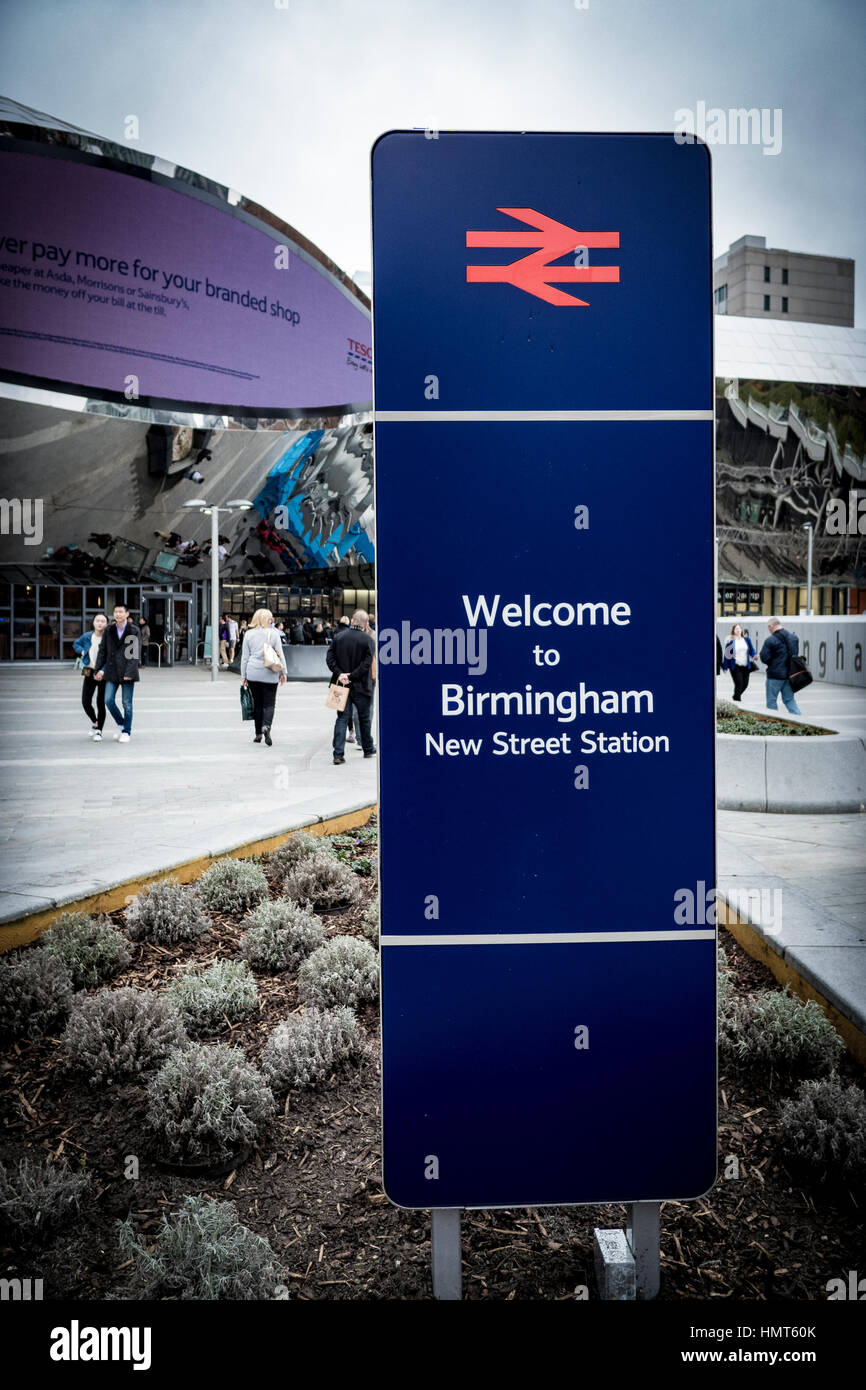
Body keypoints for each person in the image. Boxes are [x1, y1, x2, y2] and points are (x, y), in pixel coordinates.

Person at [327, 609, 376, 764]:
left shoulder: (338, 637)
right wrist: (352, 676)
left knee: (342, 718)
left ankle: (338, 754)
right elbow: (366, 665)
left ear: (352, 621)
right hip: (362, 685)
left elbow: (329, 659)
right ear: (366, 624)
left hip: (340, 685)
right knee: (364, 718)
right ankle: (368, 749)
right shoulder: (368, 640)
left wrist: (341, 674)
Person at [93, 603, 140, 742]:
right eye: (115, 612)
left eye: (120, 612)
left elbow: (134, 654)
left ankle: (126, 731)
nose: (118, 614)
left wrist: (129, 672)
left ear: (127, 614)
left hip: (127, 672)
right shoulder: (109, 630)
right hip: (112, 670)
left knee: (127, 704)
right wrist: (98, 669)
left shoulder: (133, 630)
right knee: (108, 700)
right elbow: (103, 650)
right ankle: (121, 723)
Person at [240, 607, 287, 745]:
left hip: (253, 673)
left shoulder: (248, 634)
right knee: (269, 703)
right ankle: (266, 726)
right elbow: (280, 655)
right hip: (270, 672)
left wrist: (243, 676)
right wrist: (284, 672)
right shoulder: (274, 634)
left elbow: (244, 657)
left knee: (258, 703)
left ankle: (258, 734)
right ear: (267, 619)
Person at [73, 612, 108, 740]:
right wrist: (82, 651)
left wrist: (102, 671)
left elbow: (110, 658)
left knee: (100, 702)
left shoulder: (108, 638)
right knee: (85, 702)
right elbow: (76, 644)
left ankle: (99, 730)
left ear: (106, 624)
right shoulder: (87, 636)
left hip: (103, 673)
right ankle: (95, 721)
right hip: (88, 670)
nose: (100, 623)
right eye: (97, 620)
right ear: (93, 623)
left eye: (103, 621)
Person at [759, 617, 802, 715]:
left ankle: (773, 722)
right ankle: (799, 718)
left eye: (768, 627)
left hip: (774, 676)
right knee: (789, 700)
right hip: (790, 675)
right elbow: (794, 655)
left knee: (771, 701)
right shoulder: (793, 638)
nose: (769, 630)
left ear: (771, 626)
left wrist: (772, 663)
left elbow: (764, 657)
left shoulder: (770, 640)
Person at [722, 622, 757, 702]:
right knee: (739, 683)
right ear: (733, 631)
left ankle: (735, 696)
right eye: (736, 629)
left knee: (745, 684)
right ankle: (738, 700)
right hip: (735, 666)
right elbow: (727, 655)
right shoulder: (730, 641)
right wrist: (725, 667)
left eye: (739, 628)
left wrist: (754, 655)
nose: (738, 630)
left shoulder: (747, 640)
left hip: (746, 666)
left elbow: (752, 650)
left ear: (741, 630)